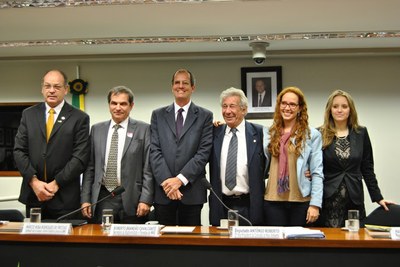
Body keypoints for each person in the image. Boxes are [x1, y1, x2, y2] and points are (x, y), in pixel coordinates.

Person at [14, 69, 90, 220]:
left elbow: (80, 157)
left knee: (65, 243)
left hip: (65, 198)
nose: (52, 91)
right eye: (47, 86)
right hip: (34, 195)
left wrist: (56, 183)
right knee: (32, 243)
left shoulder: (79, 118)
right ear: (42, 89)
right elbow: (19, 151)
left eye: (57, 86)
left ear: (66, 89)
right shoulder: (28, 114)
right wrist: (34, 182)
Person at [318, 89, 394, 227]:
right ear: (329, 110)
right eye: (335, 106)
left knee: (354, 241)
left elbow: (367, 168)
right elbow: (314, 166)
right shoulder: (319, 133)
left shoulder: (361, 133)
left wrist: (378, 197)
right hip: (328, 198)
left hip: (354, 198)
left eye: (344, 106)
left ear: (350, 110)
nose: (339, 110)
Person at [81, 86, 153, 224]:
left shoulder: (143, 130)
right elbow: (89, 167)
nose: (118, 107)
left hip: (133, 197)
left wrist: (146, 199)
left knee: (132, 242)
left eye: (123, 103)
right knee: (102, 241)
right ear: (109, 105)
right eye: (114, 103)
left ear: (131, 106)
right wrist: (85, 199)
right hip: (102, 197)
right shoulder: (97, 129)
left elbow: (148, 168)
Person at [150, 69, 213, 226]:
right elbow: (154, 151)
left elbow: (203, 153)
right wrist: (168, 183)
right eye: (177, 82)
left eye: (185, 83)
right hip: (163, 192)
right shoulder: (158, 115)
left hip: (191, 193)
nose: (181, 86)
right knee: (162, 245)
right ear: (172, 87)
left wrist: (180, 180)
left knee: (191, 245)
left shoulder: (205, 116)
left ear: (193, 87)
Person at [263, 86, 323, 226]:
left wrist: (315, 204)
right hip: (273, 201)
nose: (287, 108)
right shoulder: (268, 134)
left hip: (300, 201)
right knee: (276, 247)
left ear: (300, 108)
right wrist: (223, 125)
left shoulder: (311, 135)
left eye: (292, 104)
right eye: (283, 103)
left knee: (299, 246)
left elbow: (317, 172)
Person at [209, 87, 265, 226]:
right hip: (220, 204)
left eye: (232, 106)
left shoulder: (260, 133)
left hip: (250, 204)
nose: (227, 111)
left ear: (244, 110)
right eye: (224, 106)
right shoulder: (213, 133)